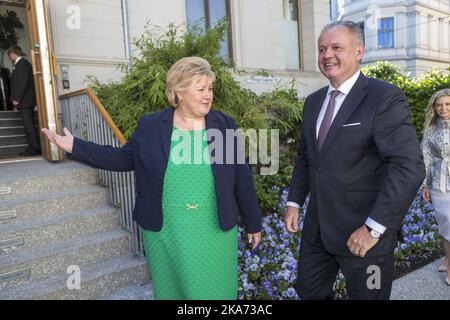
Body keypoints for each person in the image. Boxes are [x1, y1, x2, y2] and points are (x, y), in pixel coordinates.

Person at [41, 56, 262, 300]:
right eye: (200, 89)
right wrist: (76, 146)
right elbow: (123, 159)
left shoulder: (223, 125)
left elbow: (241, 176)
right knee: (171, 293)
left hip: (213, 230)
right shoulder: (152, 126)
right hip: (166, 231)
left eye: (209, 88)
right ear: (179, 92)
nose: (208, 95)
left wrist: (253, 221)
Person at [284, 21, 425, 300]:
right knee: (308, 294)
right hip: (317, 234)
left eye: (337, 47)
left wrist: (373, 229)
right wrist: (294, 202)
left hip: (363, 237)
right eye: (322, 48)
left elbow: (409, 167)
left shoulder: (384, 97)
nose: (327, 55)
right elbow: (306, 158)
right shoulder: (312, 102)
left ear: (359, 51)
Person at [421, 88, 450, 286]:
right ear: (434, 107)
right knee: (445, 222)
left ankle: (448, 260)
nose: (443, 108)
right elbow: (426, 158)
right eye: (439, 104)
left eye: (447, 104)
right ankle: (449, 259)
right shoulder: (431, 130)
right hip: (438, 182)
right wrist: (424, 184)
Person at [8, 46, 40, 156]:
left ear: (13, 54)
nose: (10, 58)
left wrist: (16, 98)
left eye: (10, 55)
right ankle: (33, 147)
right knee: (28, 125)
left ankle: (34, 148)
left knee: (29, 125)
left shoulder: (21, 64)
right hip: (26, 101)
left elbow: (23, 82)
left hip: (25, 101)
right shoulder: (23, 64)